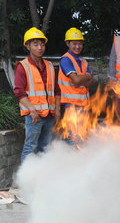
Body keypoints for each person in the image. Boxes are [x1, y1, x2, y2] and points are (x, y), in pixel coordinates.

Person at [14, 27, 61, 162]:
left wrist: (57, 109)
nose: (40, 47)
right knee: (30, 147)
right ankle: (25, 181)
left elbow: (57, 90)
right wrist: (32, 110)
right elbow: (19, 91)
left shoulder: (50, 66)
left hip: (50, 115)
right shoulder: (23, 66)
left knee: (45, 148)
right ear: (27, 46)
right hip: (34, 116)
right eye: (35, 44)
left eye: (42, 44)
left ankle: (42, 178)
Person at [58, 27, 95, 145]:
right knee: (73, 138)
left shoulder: (83, 61)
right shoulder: (65, 60)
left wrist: (81, 80)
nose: (77, 46)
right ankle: (72, 162)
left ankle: (79, 161)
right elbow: (78, 80)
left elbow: (91, 82)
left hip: (83, 105)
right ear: (67, 43)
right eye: (74, 44)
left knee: (82, 137)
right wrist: (86, 77)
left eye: (80, 43)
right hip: (72, 106)